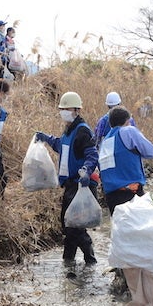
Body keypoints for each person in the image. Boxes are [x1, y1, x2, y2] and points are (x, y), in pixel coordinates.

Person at [35, 92, 99, 265]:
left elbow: (92, 154)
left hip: (81, 185)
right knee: (68, 224)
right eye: (61, 109)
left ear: (76, 110)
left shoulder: (82, 131)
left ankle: (90, 261)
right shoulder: (69, 130)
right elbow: (62, 147)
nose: (63, 112)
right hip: (71, 185)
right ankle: (68, 261)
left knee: (74, 226)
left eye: (67, 109)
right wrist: (47, 139)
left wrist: (86, 170)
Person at [98, 107, 153, 214]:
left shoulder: (105, 141)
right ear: (127, 121)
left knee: (119, 224)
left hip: (111, 196)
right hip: (130, 193)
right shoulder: (128, 131)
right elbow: (151, 152)